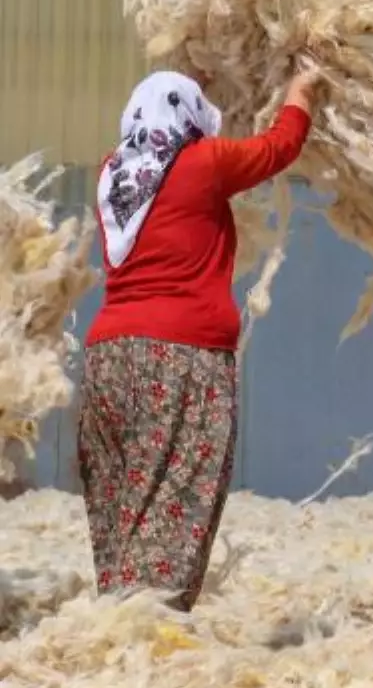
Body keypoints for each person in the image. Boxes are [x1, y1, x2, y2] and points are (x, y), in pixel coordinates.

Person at [78, 66, 320, 611]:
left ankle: (116, 617)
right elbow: (278, 148)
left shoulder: (112, 174)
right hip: (181, 357)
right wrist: (300, 94)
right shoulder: (202, 165)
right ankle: (148, 623)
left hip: (109, 360)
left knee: (120, 498)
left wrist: (191, 76)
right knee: (177, 492)